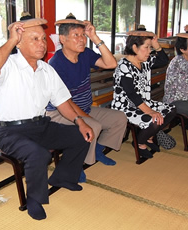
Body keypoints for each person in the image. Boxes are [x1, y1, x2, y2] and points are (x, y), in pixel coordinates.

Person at [0, 17, 94, 220]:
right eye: (34, 39)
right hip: (11, 131)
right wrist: (11, 40)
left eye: (43, 38)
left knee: (81, 136)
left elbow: (63, 103)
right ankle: (35, 200)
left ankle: (63, 177)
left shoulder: (47, 69)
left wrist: (80, 122)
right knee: (39, 155)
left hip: (41, 126)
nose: (42, 43)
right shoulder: (8, 65)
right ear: (19, 42)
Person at [46, 13, 127, 180]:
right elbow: (65, 102)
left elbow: (111, 63)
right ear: (62, 39)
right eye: (76, 35)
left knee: (119, 118)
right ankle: (78, 163)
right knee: (94, 126)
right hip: (59, 113)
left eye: (83, 35)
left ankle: (97, 152)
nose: (82, 39)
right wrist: (86, 118)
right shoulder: (56, 64)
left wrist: (94, 37)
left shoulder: (85, 54)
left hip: (85, 107)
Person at [111, 29, 176, 158]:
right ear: (135, 48)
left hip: (143, 102)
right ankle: (139, 143)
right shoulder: (124, 66)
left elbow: (163, 60)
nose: (149, 51)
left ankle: (149, 137)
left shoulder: (145, 62)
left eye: (150, 47)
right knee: (154, 120)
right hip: (126, 106)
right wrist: (151, 111)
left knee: (171, 110)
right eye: (146, 47)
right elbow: (132, 95)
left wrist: (156, 44)